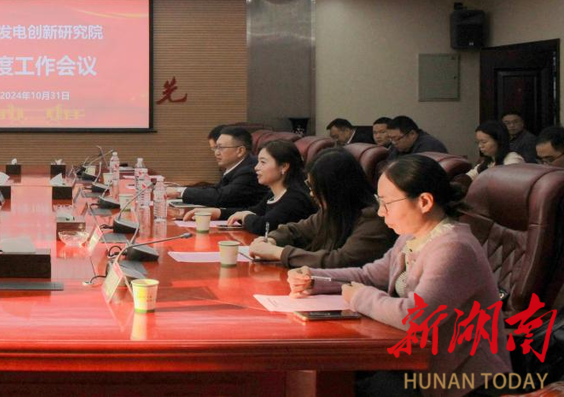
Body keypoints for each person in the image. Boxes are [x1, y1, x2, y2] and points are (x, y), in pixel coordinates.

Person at [287, 155, 510, 396]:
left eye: (387, 203)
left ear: (424, 202)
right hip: (414, 363)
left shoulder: (454, 247)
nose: (381, 212)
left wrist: (360, 297)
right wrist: (315, 278)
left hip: (458, 380)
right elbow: (369, 276)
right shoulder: (411, 236)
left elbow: (416, 316)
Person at [247, 148, 395, 267]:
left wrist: (278, 253)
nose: (312, 194)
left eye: (315, 188)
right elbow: (296, 230)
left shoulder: (374, 218)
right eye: (310, 186)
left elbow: (340, 261)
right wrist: (272, 240)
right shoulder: (334, 211)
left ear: (335, 189)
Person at [183, 139, 316, 235]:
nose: (256, 167)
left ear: (284, 166)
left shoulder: (295, 198)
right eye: (258, 162)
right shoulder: (274, 193)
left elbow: (264, 225)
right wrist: (218, 213)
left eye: (263, 162)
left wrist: (246, 217)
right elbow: (253, 211)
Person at [167, 126, 267, 209]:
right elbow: (217, 189)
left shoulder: (250, 170)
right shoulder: (237, 166)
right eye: (215, 148)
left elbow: (221, 197)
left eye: (220, 148)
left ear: (240, 151)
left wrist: (179, 192)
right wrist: (180, 190)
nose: (216, 153)